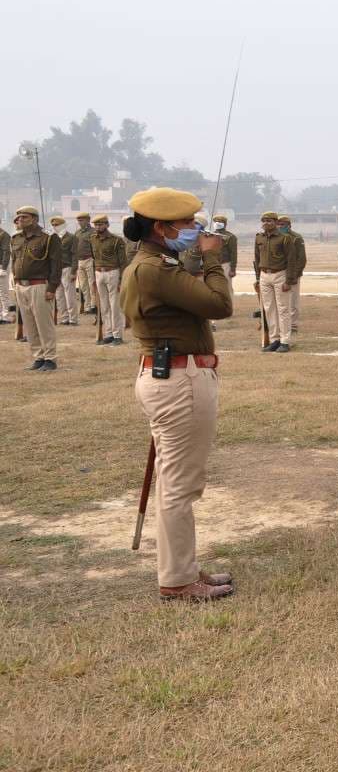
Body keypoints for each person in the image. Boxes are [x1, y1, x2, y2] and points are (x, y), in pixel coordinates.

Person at [118, 186, 234, 602]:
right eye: (186, 224)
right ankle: (178, 580)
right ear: (161, 227)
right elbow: (219, 304)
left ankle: (181, 567)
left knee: (176, 482)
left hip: (169, 375)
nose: (194, 229)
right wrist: (211, 257)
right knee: (180, 486)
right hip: (179, 381)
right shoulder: (155, 269)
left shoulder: (151, 263)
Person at [10, 206, 60, 370]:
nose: (20, 220)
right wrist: (15, 280)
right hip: (21, 286)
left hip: (39, 285)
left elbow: (56, 264)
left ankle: (50, 358)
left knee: (44, 324)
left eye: (24, 217)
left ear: (34, 219)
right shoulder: (16, 238)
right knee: (30, 325)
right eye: (19, 218)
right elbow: (15, 260)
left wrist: (52, 287)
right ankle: (38, 357)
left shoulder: (48, 238)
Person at [253, 211, 300, 353]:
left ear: (275, 222)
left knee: (283, 309)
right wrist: (257, 278)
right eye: (264, 221)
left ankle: (285, 341)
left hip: (280, 274)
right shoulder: (259, 238)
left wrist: (289, 280)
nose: (266, 223)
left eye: (269, 221)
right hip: (264, 275)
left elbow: (291, 260)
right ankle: (275, 339)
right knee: (269, 309)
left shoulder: (284, 239)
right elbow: (257, 258)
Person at [90, 215, 128, 345]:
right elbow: (93, 259)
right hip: (99, 272)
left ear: (107, 225)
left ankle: (117, 335)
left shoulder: (117, 240)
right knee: (104, 306)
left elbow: (123, 262)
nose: (98, 227)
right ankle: (109, 333)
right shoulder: (92, 239)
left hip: (113, 272)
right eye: (96, 225)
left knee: (114, 305)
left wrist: (121, 279)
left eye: (100, 224)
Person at [276, 215, 306, 334]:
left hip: (293, 273)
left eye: (282, 225)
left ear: (289, 226)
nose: (280, 227)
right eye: (278, 224)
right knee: (281, 300)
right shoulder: (276, 237)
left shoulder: (296, 238)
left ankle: (293, 324)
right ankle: (282, 324)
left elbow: (301, 259)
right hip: (279, 273)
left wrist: (295, 274)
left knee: (293, 301)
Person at [50, 216, 79, 325]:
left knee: (69, 295)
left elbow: (75, 255)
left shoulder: (71, 237)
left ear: (62, 225)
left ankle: (73, 318)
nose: (54, 227)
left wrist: (73, 271)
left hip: (67, 268)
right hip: (55, 270)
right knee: (59, 295)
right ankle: (64, 317)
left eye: (56, 225)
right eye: (53, 225)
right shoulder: (52, 237)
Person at [73, 212, 96, 313]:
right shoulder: (77, 233)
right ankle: (87, 306)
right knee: (83, 286)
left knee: (92, 284)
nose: (79, 222)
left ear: (88, 220)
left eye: (82, 220)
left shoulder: (93, 232)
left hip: (90, 259)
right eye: (78, 220)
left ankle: (93, 305)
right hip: (79, 261)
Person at [0, 223, 12, 322]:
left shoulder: (4, 235)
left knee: (3, 292)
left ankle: (6, 315)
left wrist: (3, 268)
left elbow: (6, 252)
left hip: (1, 266)